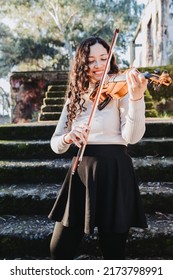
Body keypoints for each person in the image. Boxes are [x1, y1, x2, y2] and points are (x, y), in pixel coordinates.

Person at [48, 36, 148, 260]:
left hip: (115, 170)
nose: (98, 65)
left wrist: (136, 98)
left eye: (103, 58)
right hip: (82, 172)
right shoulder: (75, 96)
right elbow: (55, 143)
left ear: (110, 58)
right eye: (91, 60)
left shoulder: (122, 91)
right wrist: (67, 138)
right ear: (82, 64)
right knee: (59, 249)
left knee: (113, 251)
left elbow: (132, 137)